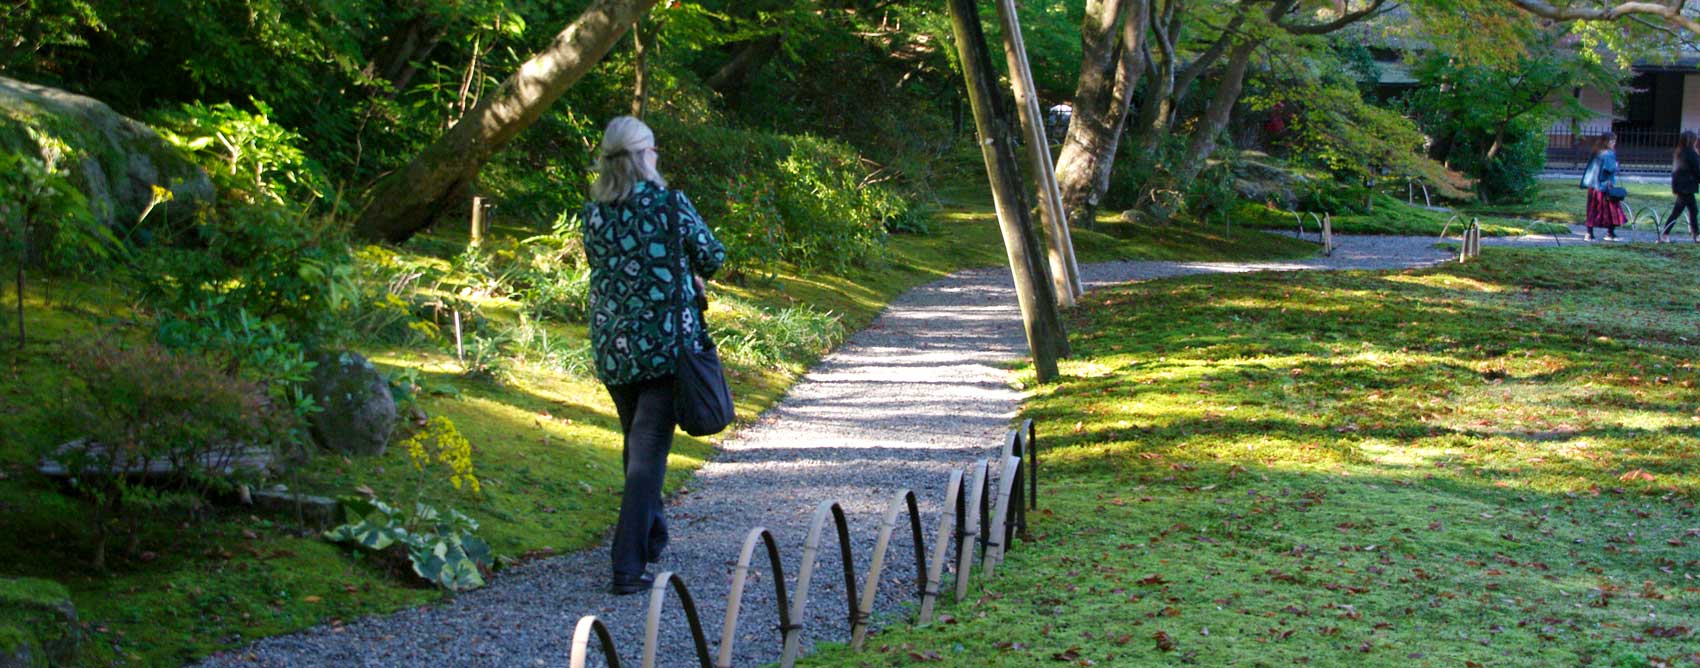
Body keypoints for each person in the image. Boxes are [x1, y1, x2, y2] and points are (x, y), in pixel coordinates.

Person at [581, 116, 725, 595]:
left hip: (615, 348)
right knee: (647, 457)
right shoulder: (668, 204)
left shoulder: (594, 213)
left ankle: (652, 534)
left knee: (636, 446)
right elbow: (712, 255)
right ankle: (627, 565)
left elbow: (611, 268)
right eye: (654, 149)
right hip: (666, 348)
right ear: (644, 156)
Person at [1581, 131, 1623, 241]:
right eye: (1611, 140)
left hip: (1593, 186)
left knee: (1592, 210)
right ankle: (1610, 233)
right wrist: (1616, 166)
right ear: (1606, 142)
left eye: (1614, 140)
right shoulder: (1608, 153)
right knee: (1612, 210)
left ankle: (1589, 234)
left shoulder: (1596, 152)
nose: (1614, 142)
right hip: (1605, 186)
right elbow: (1610, 168)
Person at [1661, 130, 1700, 243]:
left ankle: (1696, 233)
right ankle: (1665, 234)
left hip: (1680, 186)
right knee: (1679, 211)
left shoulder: (1679, 152)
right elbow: (1697, 169)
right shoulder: (1691, 153)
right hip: (1687, 187)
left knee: (1692, 210)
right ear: (1692, 140)